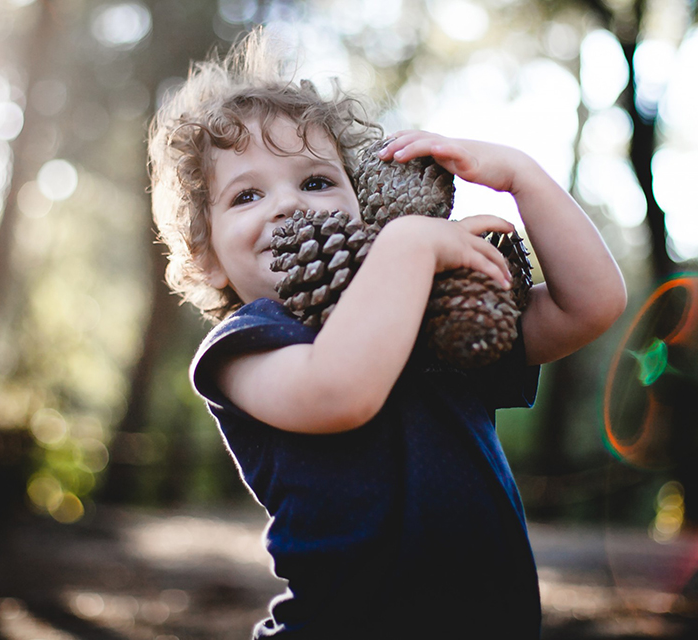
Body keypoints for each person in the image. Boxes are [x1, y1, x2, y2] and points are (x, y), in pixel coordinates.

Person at [148, 28, 627, 640]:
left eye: (317, 182)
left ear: (365, 202)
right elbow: (340, 391)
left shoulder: (438, 311)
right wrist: (409, 247)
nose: (289, 205)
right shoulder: (243, 348)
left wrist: (520, 176)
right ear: (207, 257)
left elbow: (591, 306)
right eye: (247, 195)